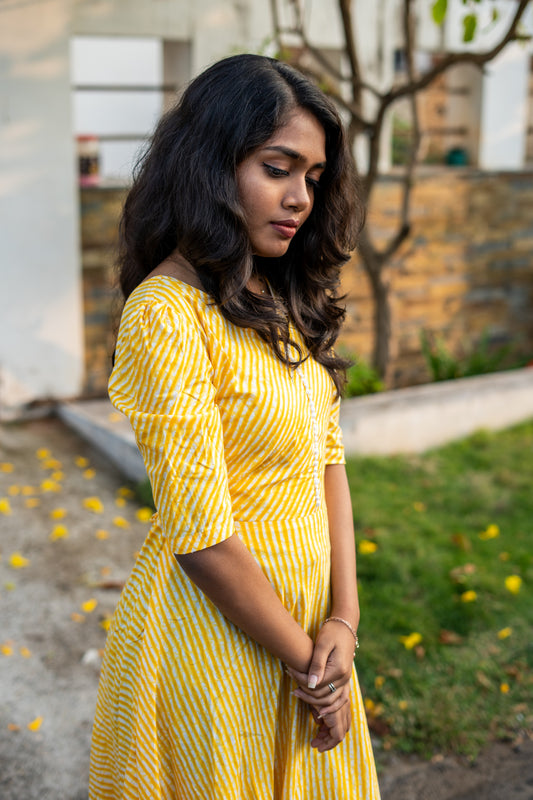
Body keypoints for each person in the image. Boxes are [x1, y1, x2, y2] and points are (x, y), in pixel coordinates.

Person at [89, 53, 380, 800]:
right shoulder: (166, 313)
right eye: (277, 168)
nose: (300, 198)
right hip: (213, 649)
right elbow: (202, 535)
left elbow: (327, 461)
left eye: (312, 177)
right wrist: (312, 670)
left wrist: (342, 623)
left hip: (309, 640)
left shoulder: (276, 294)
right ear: (212, 166)